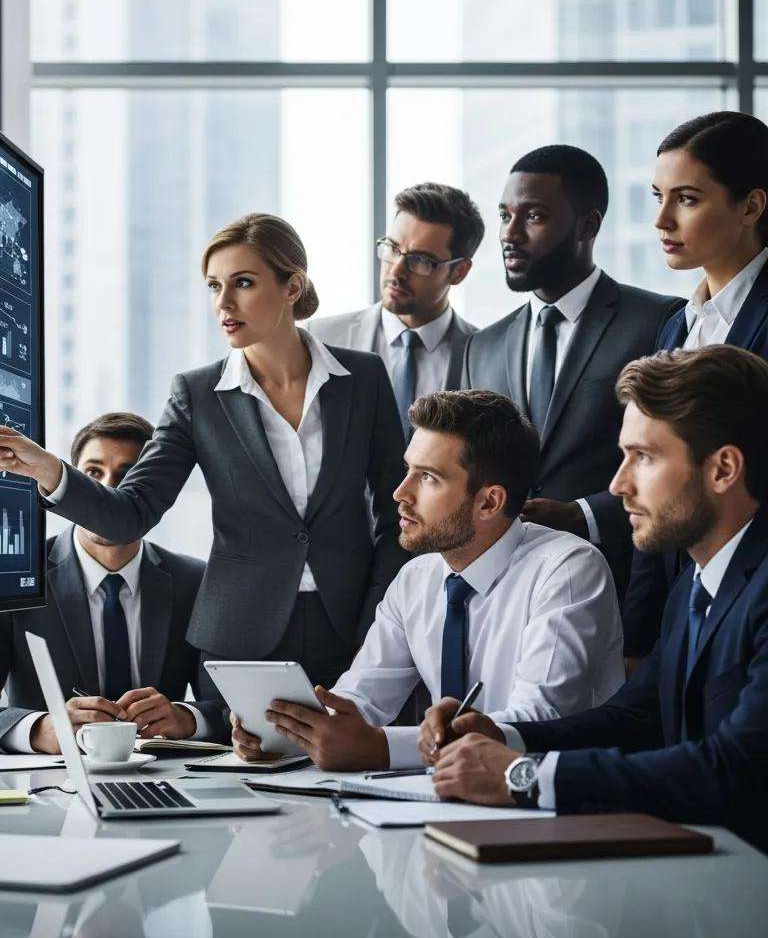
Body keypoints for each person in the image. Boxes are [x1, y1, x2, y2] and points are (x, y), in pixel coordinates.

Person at [0, 213, 408, 716]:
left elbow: (400, 514)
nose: (224, 303)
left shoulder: (363, 378)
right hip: (242, 640)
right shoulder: (198, 395)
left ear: (292, 287)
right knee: (249, 780)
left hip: (351, 627)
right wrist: (49, 470)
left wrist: (380, 615)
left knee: (352, 774)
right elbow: (132, 512)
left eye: (243, 283)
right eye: (214, 286)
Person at [424, 346, 768, 851]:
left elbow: (734, 768)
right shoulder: (695, 585)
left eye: (644, 457)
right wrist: (503, 737)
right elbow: (636, 718)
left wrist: (525, 776)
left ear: (723, 469)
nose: (618, 485)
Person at [231, 390, 623, 772]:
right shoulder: (416, 578)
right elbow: (361, 699)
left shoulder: (568, 568)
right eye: (408, 470)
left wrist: (384, 748)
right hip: (446, 798)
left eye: (428, 478)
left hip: (548, 805)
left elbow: (538, 719)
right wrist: (285, 732)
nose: (400, 493)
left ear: (489, 502)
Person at [0, 413, 225, 754]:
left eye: (128, 476)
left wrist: (186, 718)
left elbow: (230, 710)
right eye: (93, 473)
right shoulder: (8, 580)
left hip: (166, 782)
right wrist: (41, 729)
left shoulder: (194, 581)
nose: (108, 489)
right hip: (46, 791)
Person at [461, 144, 683, 595]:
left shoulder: (657, 322)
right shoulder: (482, 346)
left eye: (534, 217)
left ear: (588, 225)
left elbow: (675, 464)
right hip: (505, 592)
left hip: (619, 582)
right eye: (505, 216)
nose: (511, 234)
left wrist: (583, 515)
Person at [622, 111, 768, 662]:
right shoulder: (676, 327)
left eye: (686, 199)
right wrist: (639, 637)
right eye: (657, 196)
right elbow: (649, 472)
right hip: (684, 604)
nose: (661, 220)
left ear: (751, 206)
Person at [308, 182, 483, 438]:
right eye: (392, 248)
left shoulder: (484, 353)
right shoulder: (322, 339)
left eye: (421, 260)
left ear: (459, 271)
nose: (396, 271)